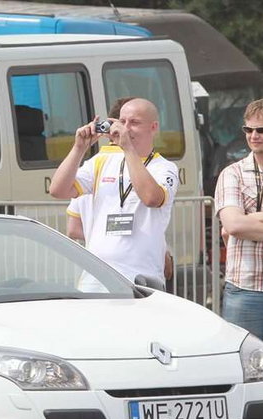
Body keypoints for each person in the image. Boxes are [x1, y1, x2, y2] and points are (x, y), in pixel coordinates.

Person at [49, 98, 178, 287]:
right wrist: (79, 148)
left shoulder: (164, 167)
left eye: (134, 123)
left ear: (153, 127)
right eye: (122, 122)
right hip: (96, 278)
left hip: (141, 278)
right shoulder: (101, 161)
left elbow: (151, 198)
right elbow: (57, 190)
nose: (126, 128)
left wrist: (127, 148)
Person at [215, 98, 263, 376]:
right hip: (246, 284)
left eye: (262, 130)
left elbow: (242, 224)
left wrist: (253, 218)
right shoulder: (232, 173)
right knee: (243, 369)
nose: (253, 136)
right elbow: (233, 225)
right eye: (248, 130)